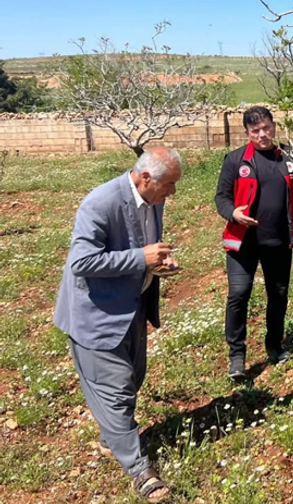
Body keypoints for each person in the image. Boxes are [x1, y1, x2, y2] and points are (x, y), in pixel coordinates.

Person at [54, 147, 182, 503]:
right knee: (117, 389)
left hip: (131, 308)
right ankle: (139, 470)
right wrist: (141, 257)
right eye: (169, 185)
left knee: (134, 376)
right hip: (95, 314)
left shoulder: (153, 199)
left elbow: (143, 248)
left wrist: (158, 263)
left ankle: (112, 434)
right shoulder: (100, 202)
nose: (171, 192)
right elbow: (82, 262)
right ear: (145, 178)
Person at [215, 106, 293, 379]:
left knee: (278, 295)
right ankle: (236, 355)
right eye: (255, 131)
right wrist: (233, 212)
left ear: (274, 126)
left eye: (266, 128)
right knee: (239, 295)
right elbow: (221, 197)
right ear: (247, 133)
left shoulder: (292, 158)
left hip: (278, 241)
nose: (262, 134)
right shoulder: (235, 161)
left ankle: (274, 345)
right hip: (243, 242)